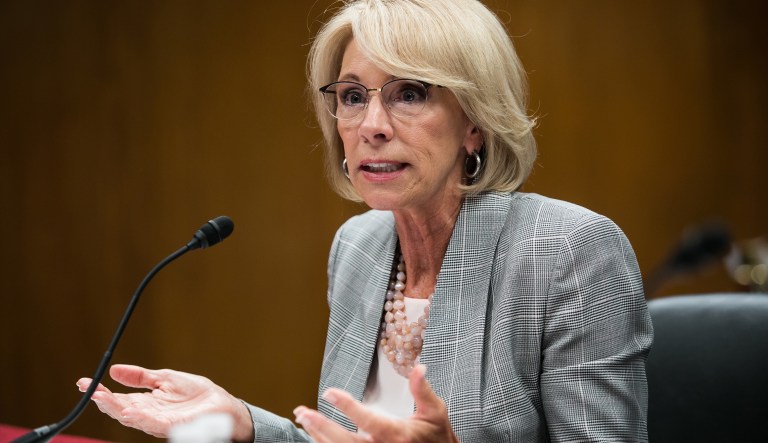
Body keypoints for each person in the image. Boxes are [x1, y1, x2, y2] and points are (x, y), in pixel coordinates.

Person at [77, 0, 653, 441]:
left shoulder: (571, 252)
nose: (371, 124)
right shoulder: (360, 246)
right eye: (353, 96)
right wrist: (245, 423)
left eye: (409, 93)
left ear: (474, 122)